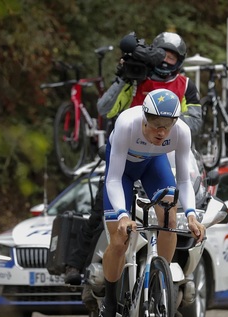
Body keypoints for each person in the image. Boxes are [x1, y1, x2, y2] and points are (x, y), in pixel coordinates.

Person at [64, 33, 201, 291]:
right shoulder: (138, 78)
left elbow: (194, 120)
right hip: (125, 149)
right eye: (161, 54)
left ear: (180, 61)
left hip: (161, 155)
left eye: (172, 57)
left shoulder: (185, 86)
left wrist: (167, 127)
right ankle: (83, 269)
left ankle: (162, 282)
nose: (164, 61)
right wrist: (123, 79)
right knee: (111, 221)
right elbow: (104, 109)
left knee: (171, 214)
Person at [97, 88, 205, 317]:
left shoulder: (181, 132)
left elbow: (183, 181)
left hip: (152, 165)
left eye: (167, 126)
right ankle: (109, 304)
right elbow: (112, 177)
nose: (162, 132)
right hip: (121, 173)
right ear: (145, 117)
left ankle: (159, 283)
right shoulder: (127, 124)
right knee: (118, 238)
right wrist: (123, 215)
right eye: (156, 125)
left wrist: (190, 214)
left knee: (169, 212)